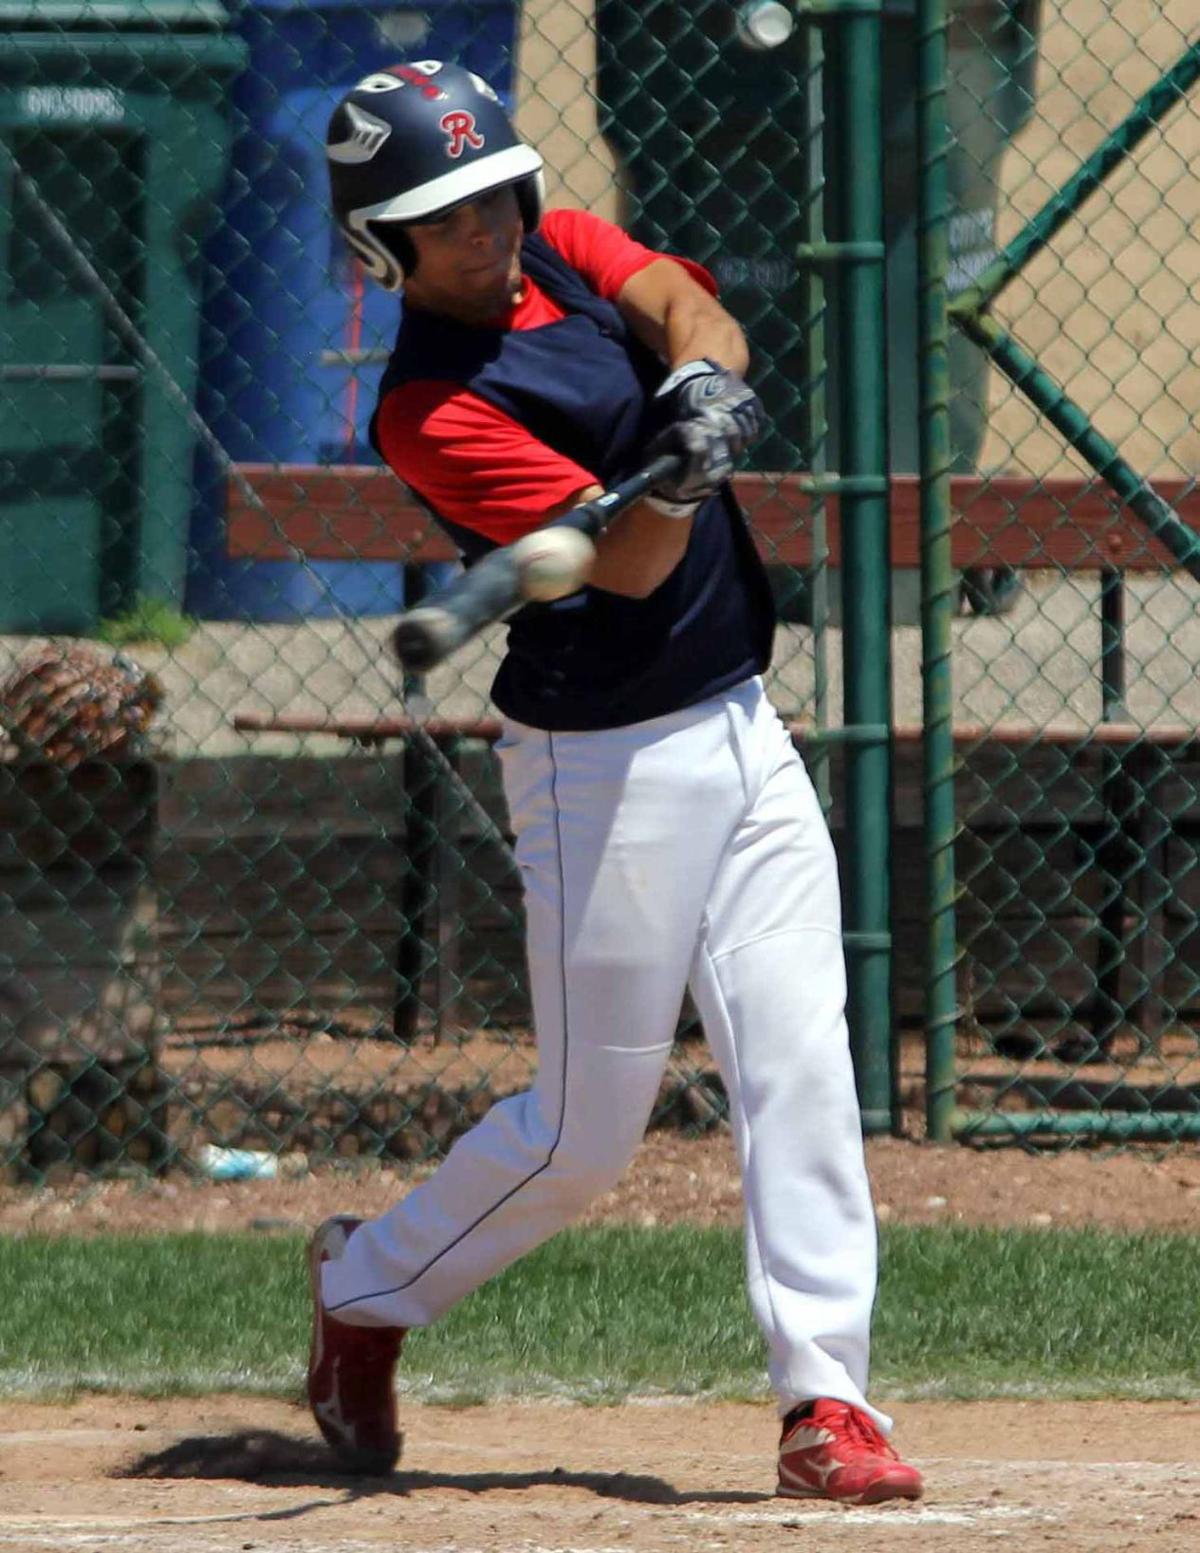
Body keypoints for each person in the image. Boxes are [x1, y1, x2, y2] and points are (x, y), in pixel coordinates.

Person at [309, 59, 923, 1506]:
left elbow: (689, 310)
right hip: (603, 765)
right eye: (442, 216)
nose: (485, 228)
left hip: (737, 717)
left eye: (489, 195)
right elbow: (633, 563)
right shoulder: (427, 409)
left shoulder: (564, 249)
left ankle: (825, 1399)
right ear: (380, 247)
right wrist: (677, 480)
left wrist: (701, 389)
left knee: (799, 1060)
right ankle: (365, 1286)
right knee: (586, 1137)